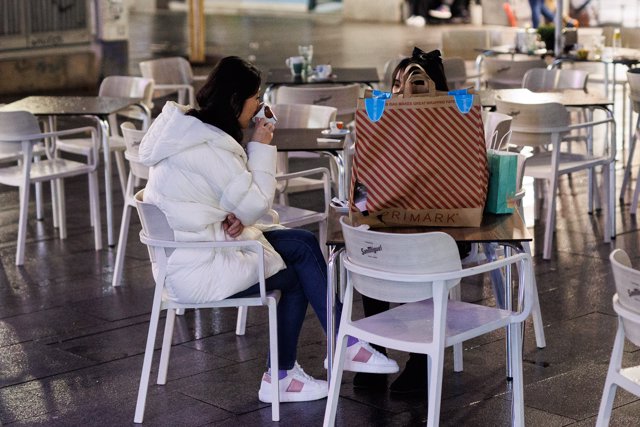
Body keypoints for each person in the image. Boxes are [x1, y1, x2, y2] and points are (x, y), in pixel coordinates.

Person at [138, 56, 398, 404]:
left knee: (302, 251)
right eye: (255, 98)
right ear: (235, 100)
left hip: (194, 251)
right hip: (200, 266)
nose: (260, 106)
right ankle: (325, 351)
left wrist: (238, 213)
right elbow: (257, 202)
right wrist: (261, 144)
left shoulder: (186, 132)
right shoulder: (208, 147)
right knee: (301, 262)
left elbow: (232, 202)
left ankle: (295, 368)